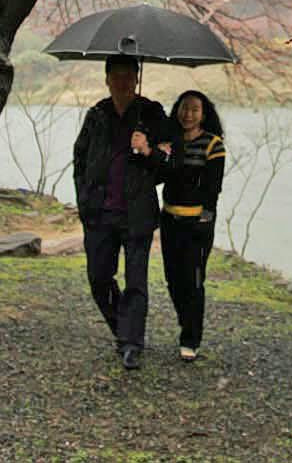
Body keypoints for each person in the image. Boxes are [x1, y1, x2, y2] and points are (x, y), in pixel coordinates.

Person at [71, 54, 174, 370]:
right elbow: (80, 159)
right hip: (100, 213)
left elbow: (169, 164)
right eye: (116, 75)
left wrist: (147, 150)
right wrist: (85, 201)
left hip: (137, 214)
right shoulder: (97, 115)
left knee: (136, 281)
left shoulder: (152, 114)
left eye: (129, 75)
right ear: (107, 79)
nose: (123, 82)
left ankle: (132, 344)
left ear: (136, 77)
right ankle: (122, 328)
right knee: (98, 278)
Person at [158, 89, 226, 362]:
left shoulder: (213, 144)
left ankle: (190, 339)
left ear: (204, 114)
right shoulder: (169, 142)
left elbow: (213, 187)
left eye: (195, 109)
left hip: (197, 222)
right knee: (173, 279)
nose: (188, 114)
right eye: (184, 108)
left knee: (194, 281)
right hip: (169, 219)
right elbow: (159, 176)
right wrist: (157, 154)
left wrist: (205, 218)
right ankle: (187, 321)